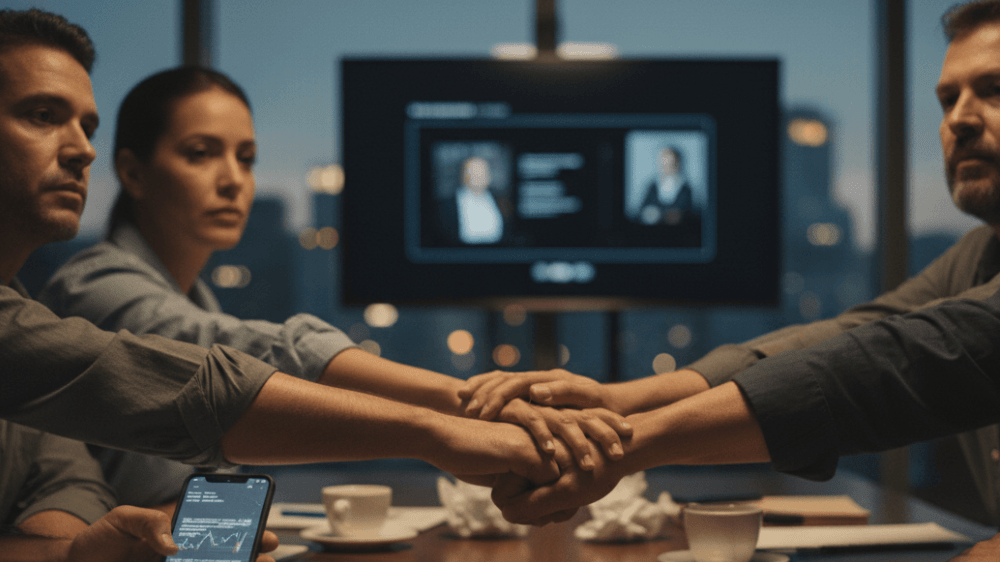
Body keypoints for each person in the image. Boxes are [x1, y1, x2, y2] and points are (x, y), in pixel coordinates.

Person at [492, 0, 1000, 562]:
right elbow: (880, 344)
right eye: (947, 99)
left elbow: (928, 353)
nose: (961, 119)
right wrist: (622, 410)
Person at [0, 9, 563, 562]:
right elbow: (134, 373)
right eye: (41, 115)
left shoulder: (15, 300)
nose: (81, 147)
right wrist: (439, 427)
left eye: (86, 124)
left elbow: (62, 470)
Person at [39, 67, 628, 507]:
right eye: (201, 154)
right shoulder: (96, 289)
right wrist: (459, 412)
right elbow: (238, 356)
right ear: (134, 172)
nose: (232, 180)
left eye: (246, 158)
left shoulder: (187, 293)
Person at [636, 146, 693, 226]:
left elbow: (684, 213)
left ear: (677, 163)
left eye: (670, 163)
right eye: (663, 162)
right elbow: (643, 210)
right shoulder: (653, 186)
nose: (666, 166)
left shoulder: (685, 188)